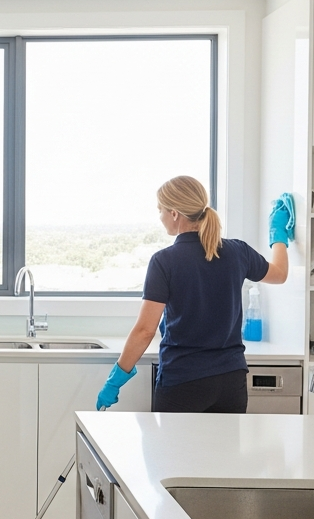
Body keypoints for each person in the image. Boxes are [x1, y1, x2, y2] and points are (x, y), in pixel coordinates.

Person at [97, 176, 291, 413]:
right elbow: (280, 274)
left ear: (175, 213)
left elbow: (145, 330)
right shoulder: (238, 251)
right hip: (231, 381)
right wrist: (278, 234)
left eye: (161, 211)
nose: (160, 218)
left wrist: (116, 378)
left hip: (183, 382)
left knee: (175, 451)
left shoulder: (164, 261)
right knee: (223, 451)